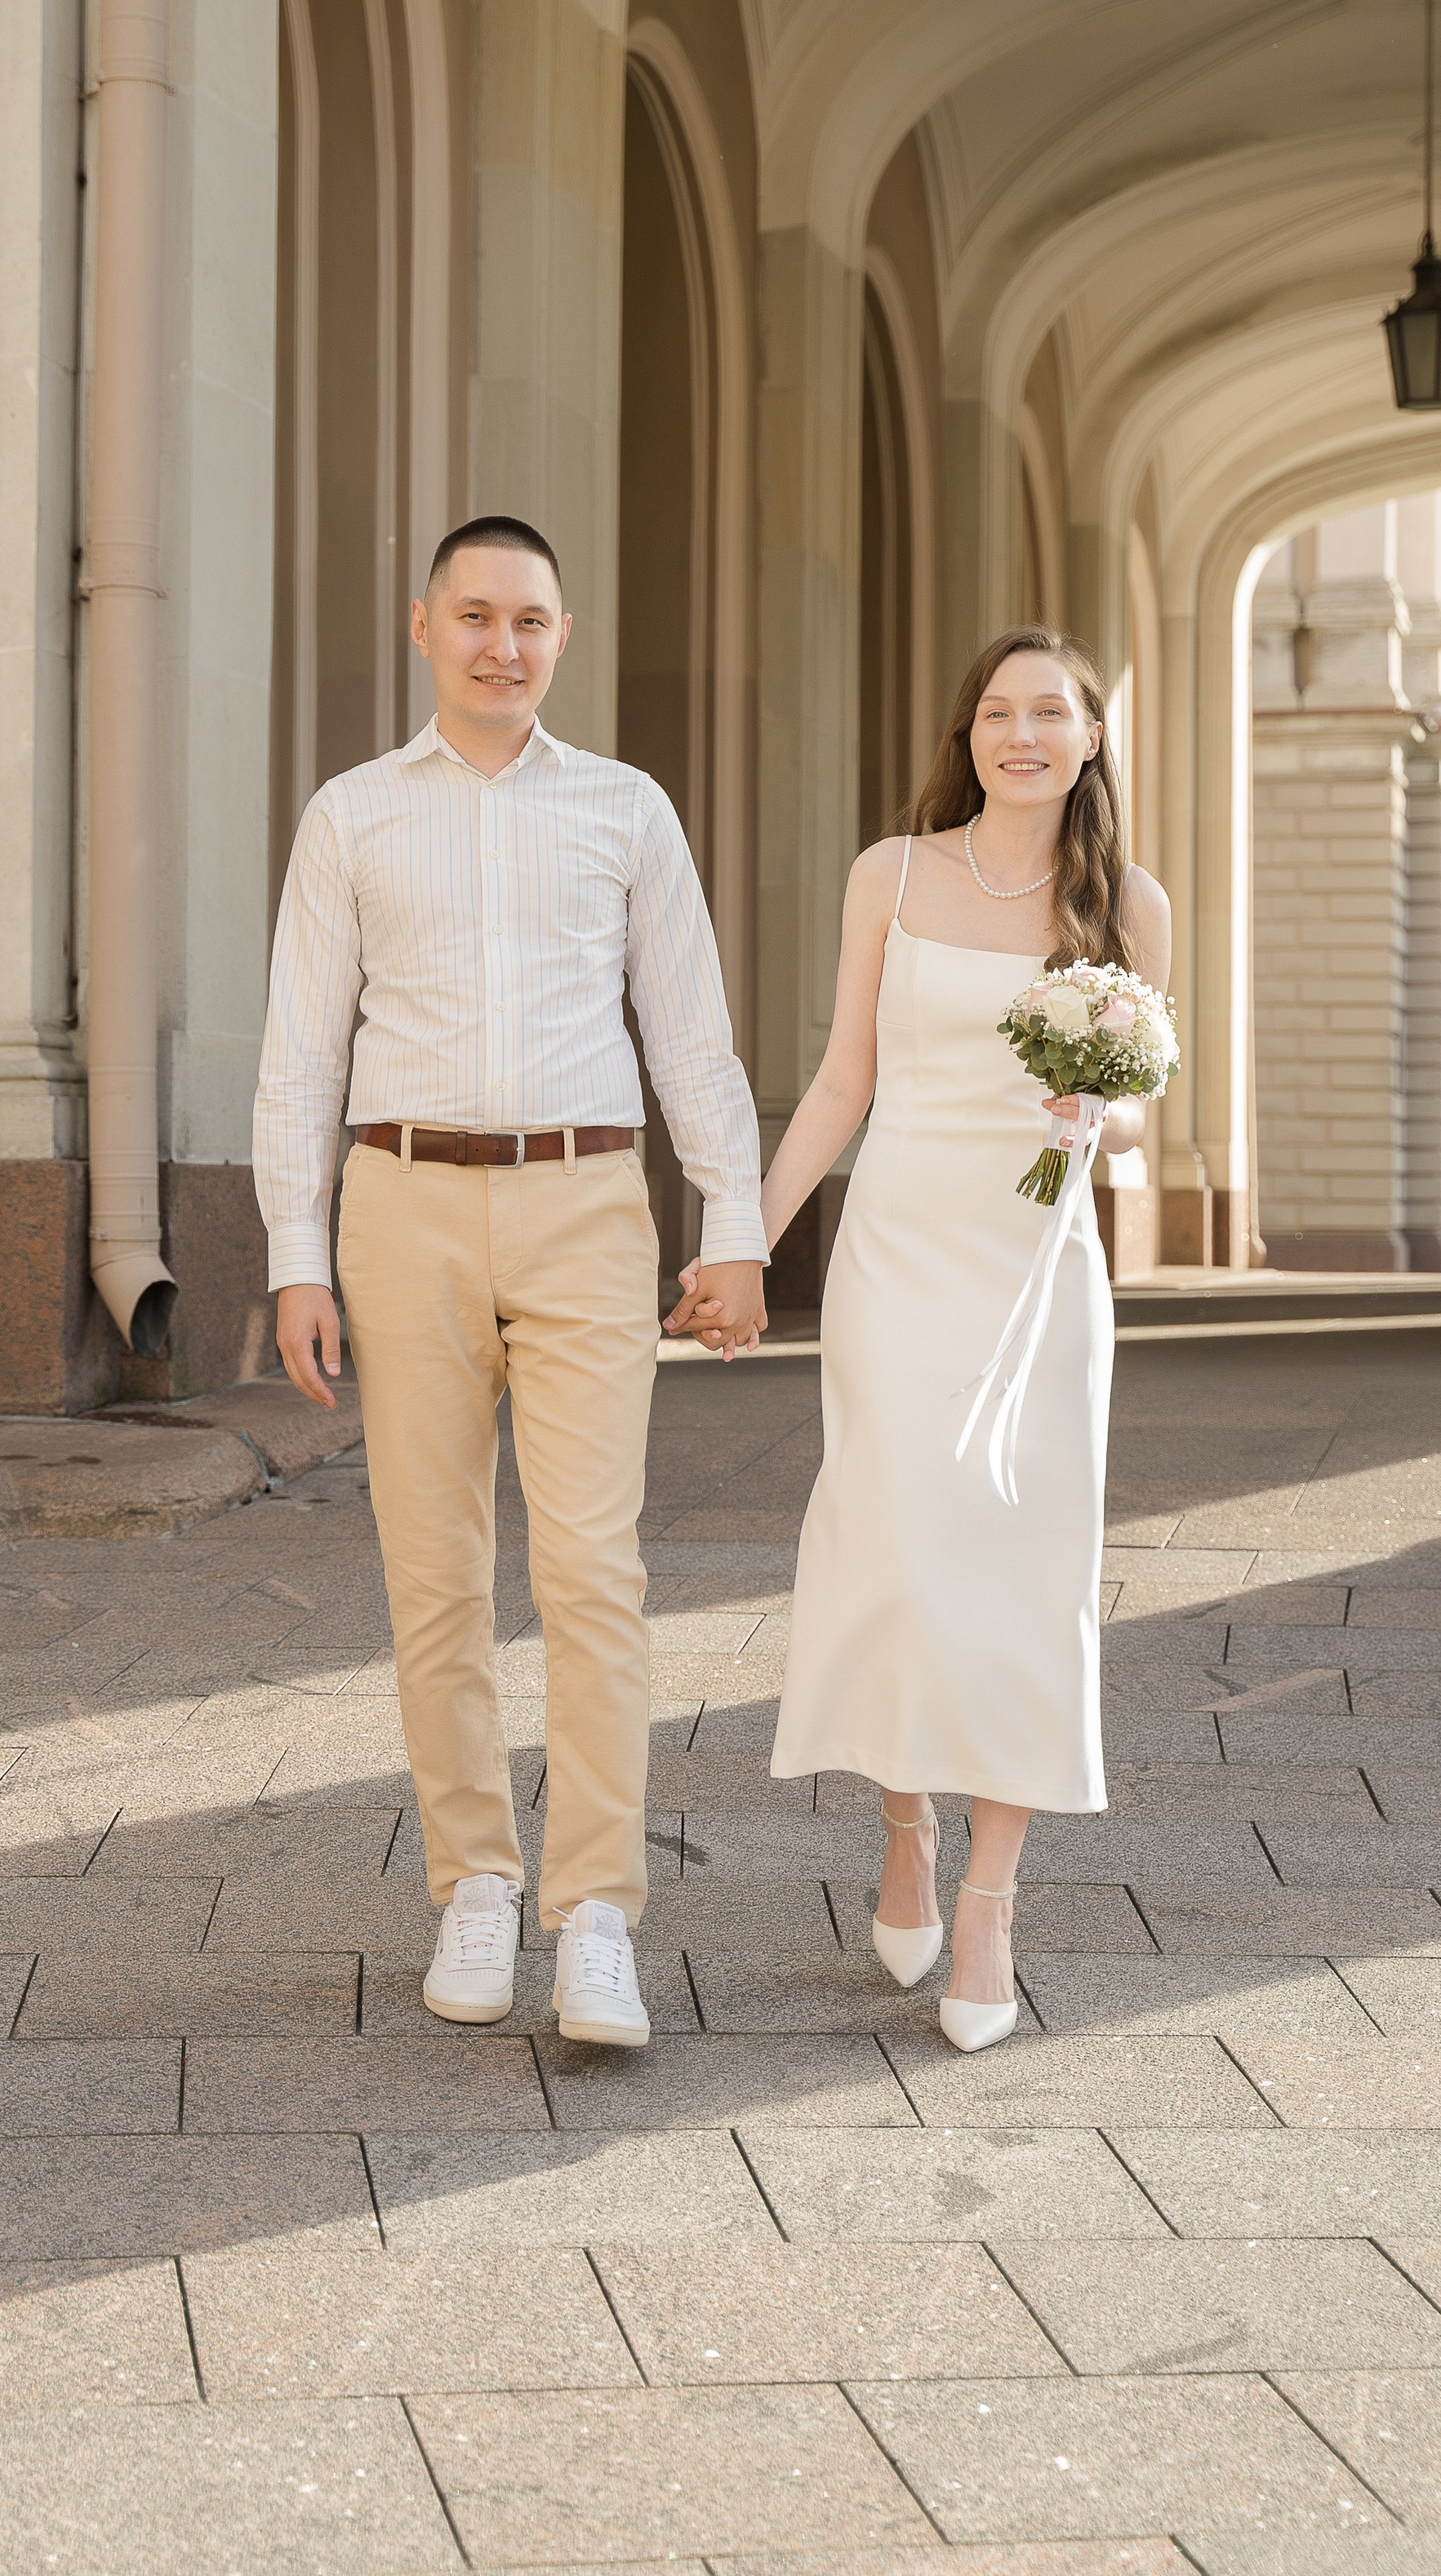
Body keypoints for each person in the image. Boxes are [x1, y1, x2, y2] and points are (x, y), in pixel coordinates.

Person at [254, 516, 767, 2047]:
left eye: (531, 620)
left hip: (586, 1203)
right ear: (424, 628)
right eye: (474, 616)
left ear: (563, 637)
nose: (503, 644)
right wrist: (296, 1255)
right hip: (402, 1204)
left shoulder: (626, 811)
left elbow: (689, 1032)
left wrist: (729, 1223)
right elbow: (301, 1053)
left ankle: (594, 1909)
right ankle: (475, 1884)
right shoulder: (352, 817)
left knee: (594, 1572)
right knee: (434, 1573)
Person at [683, 628, 1167, 2052]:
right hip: (898, 1259)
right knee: (896, 1547)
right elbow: (843, 1082)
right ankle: (903, 1814)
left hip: (1040, 1270)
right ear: (966, 734)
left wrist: (1108, 1113)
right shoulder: (889, 877)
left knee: (1022, 1564)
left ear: (1088, 739)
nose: (1022, 735)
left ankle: (991, 1899)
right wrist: (742, 1240)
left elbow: (1147, 1091)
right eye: (998, 713)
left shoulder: (1122, 898)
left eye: (1051, 714)